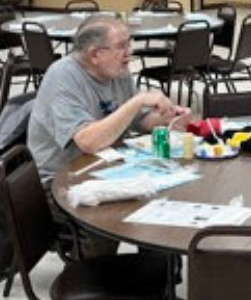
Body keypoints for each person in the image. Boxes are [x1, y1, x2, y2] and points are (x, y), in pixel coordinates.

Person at [26, 14, 189, 185]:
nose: (129, 52)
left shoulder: (117, 72)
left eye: (129, 43)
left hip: (106, 170)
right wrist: (137, 102)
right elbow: (88, 142)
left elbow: (138, 121)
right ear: (95, 55)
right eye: (121, 46)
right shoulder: (63, 76)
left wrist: (166, 118)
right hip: (60, 183)